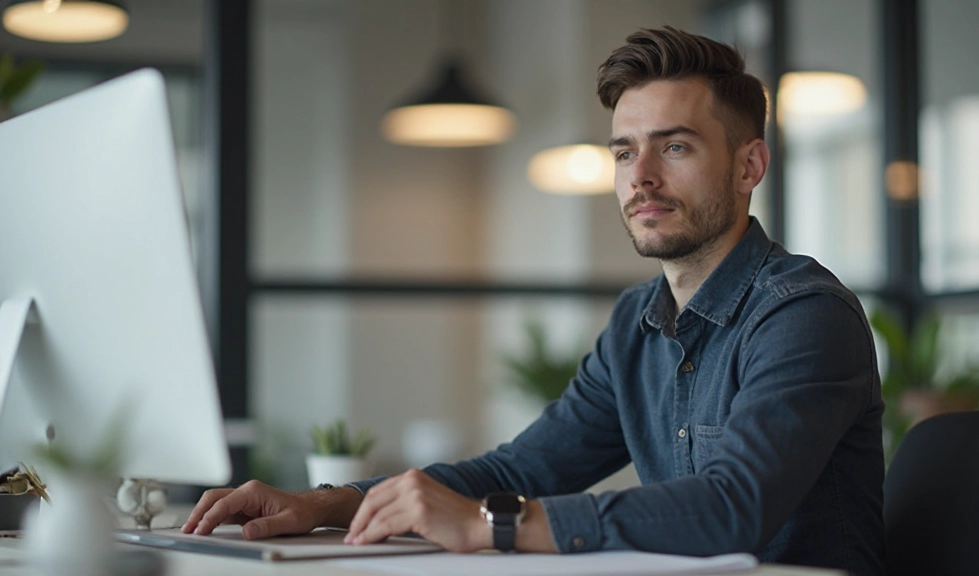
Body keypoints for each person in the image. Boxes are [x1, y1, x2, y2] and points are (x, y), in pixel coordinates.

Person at [182, 26, 885, 575]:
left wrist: (493, 524)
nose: (639, 177)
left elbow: (734, 508)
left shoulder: (802, 314)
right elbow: (523, 470)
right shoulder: (635, 325)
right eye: (622, 152)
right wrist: (329, 502)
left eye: (674, 149)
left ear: (748, 166)